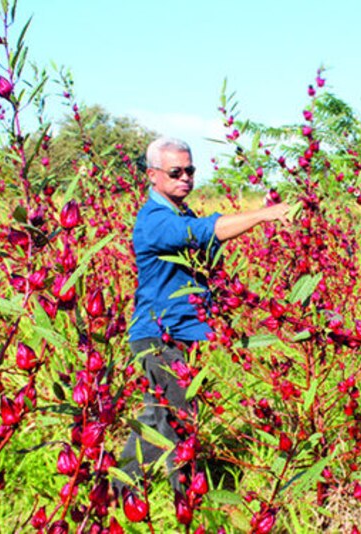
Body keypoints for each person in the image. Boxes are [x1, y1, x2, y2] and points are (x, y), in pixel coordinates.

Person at [120, 137, 291, 492]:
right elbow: (201, 233)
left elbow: (206, 253)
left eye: (190, 170)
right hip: (158, 333)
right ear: (152, 175)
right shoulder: (155, 219)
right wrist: (263, 215)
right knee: (178, 419)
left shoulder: (181, 213)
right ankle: (186, 500)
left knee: (158, 416)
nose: (185, 177)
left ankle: (116, 491)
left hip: (178, 331)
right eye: (175, 171)